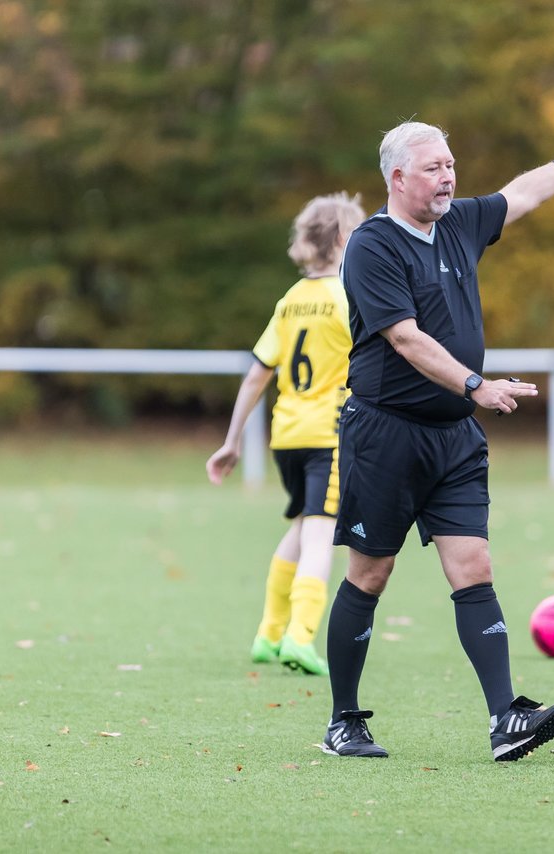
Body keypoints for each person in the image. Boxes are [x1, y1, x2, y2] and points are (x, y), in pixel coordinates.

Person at [321, 93, 554, 761]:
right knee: (370, 574)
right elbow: (405, 340)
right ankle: (344, 721)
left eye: (451, 165)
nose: (449, 178)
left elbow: (523, 193)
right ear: (397, 178)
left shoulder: (460, 223)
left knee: (474, 566)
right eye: (433, 168)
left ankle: (505, 719)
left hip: (453, 438)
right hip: (384, 433)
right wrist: (477, 385)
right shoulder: (372, 246)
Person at [206, 191, 366, 677]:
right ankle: (301, 637)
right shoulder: (346, 297)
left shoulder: (291, 301)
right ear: (343, 239)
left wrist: (232, 439)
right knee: (322, 535)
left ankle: (268, 632)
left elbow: (258, 373)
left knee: (300, 526)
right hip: (330, 435)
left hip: (287, 437)